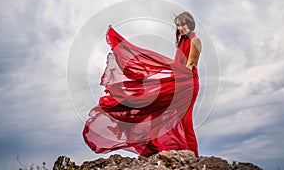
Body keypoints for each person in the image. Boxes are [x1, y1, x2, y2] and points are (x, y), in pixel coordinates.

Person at [83, 11, 201, 158]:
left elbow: (190, 66)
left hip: (188, 85)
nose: (180, 28)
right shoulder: (181, 43)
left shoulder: (195, 41)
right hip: (179, 83)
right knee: (155, 108)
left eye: (183, 24)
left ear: (189, 23)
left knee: (185, 121)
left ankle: (194, 159)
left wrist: (166, 78)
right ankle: (155, 148)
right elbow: (178, 67)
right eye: (178, 25)